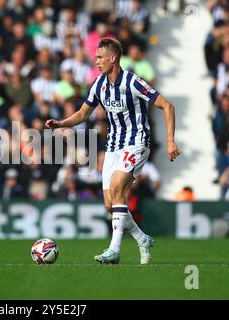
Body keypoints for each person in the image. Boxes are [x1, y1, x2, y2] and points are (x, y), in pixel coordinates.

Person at [45, 38, 181, 265]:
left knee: (118, 189)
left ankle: (114, 250)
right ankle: (142, 238)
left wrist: (169, 140)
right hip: (113, 146)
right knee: (110, 203)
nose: (95, 61)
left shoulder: (134, 82)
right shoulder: (98, 85)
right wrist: (60, 123)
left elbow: (168, 106)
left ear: (113, 58)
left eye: (99, 57)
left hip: (137, 142)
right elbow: (81, 114)